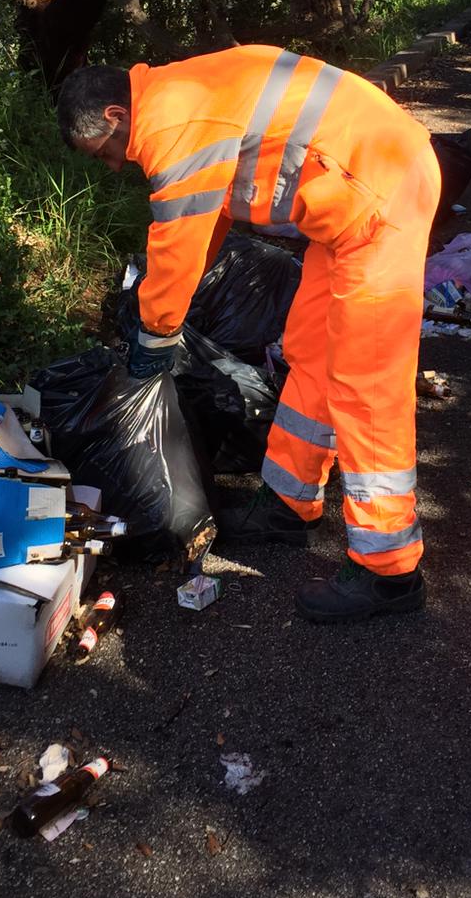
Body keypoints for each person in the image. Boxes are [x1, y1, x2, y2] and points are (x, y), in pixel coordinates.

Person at [56, 47, 441, 624]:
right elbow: (204, 222)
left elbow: (177, 244)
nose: (112, 166)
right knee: (312, 353)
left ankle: (390, 572)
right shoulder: (177, 100)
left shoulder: (171, 122)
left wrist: (155, 335)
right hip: (354, 203)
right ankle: (289, 504)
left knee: (367, 385)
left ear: (115, 115)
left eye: (104, 152)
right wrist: (163, 316)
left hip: (383, 195)